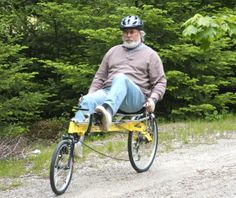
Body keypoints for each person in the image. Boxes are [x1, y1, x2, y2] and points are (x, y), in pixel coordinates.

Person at [72, 15, 167, 133]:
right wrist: (91, 95)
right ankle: (74, 142)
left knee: (121, 78)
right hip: (109, 92)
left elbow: (160, 82)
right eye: (125, 32)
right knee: (86, 100)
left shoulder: (151, 54)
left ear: (140, 33)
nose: (128, 35)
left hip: (134, 99)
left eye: (132, 32)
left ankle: (107, 113)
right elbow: (100, 77)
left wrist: (153, 99)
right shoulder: (112, 51)